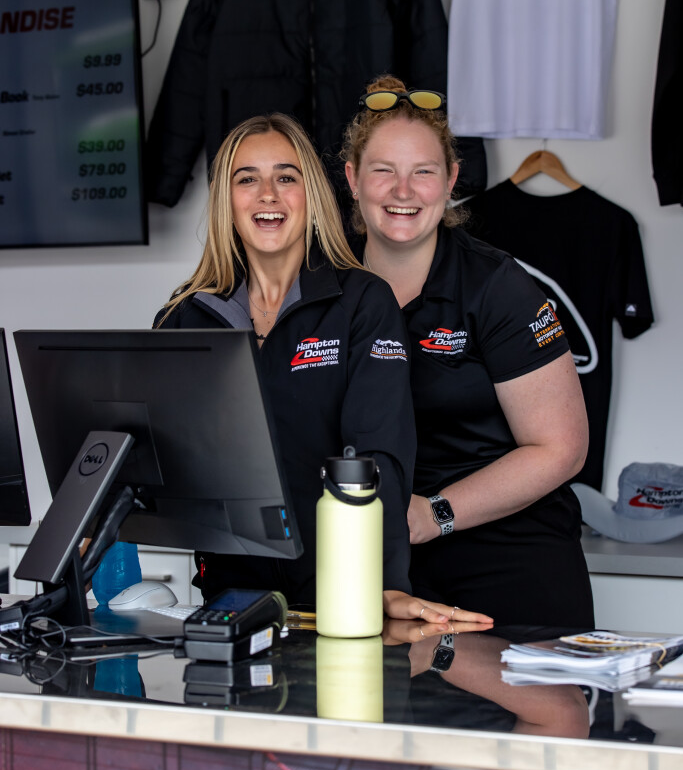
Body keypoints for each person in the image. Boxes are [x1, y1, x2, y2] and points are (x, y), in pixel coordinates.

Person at [155, 112, 492, 629]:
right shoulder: (186, 317)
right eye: (247, 179)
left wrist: (383, 583)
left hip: (339, 589)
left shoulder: (361, 302)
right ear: (226, 200)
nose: (268, 194)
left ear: (310, 194)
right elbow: (162, 455)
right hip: (229, 593)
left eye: (286, 177)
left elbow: (380, 454)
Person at [344, 76, 595, 628]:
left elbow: (562, 448)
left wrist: (434, 513)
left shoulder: (497, 287)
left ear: (451, 180)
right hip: (372, 554)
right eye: (383, 170)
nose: (403, 191)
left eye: (423, 172)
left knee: (534, 695)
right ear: (353, 179)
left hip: (509, 550)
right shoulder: (324, 284)